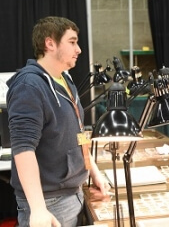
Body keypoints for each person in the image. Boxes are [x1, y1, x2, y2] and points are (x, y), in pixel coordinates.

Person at [6, 16, 109, 227]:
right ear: (50, 43)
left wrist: (94, 172)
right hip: (49, 203)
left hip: (73, 194)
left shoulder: (64, 79)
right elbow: (23, 149)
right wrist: (38, 209)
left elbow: (79, 133)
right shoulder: (30, 86)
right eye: (72, 42)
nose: (78, 49)